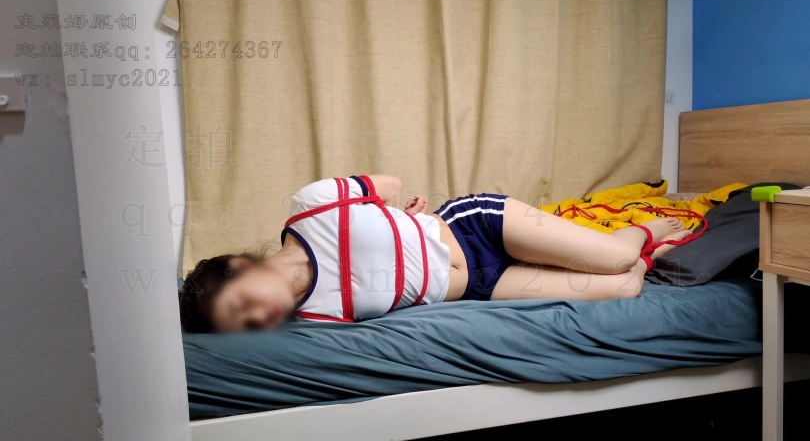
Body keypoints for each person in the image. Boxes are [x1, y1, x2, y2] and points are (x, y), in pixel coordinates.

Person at [179, 175, 690, 333]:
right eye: (244, 324)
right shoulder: (316, 316)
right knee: (626, 285)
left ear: (241, 267)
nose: (256, 318)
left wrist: (390, 215)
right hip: (481, 286)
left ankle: (640, 232)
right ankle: (646, 251)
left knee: (615, 260)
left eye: (240, 304)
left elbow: (389, 184)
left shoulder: (312, 206)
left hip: (477, 228)